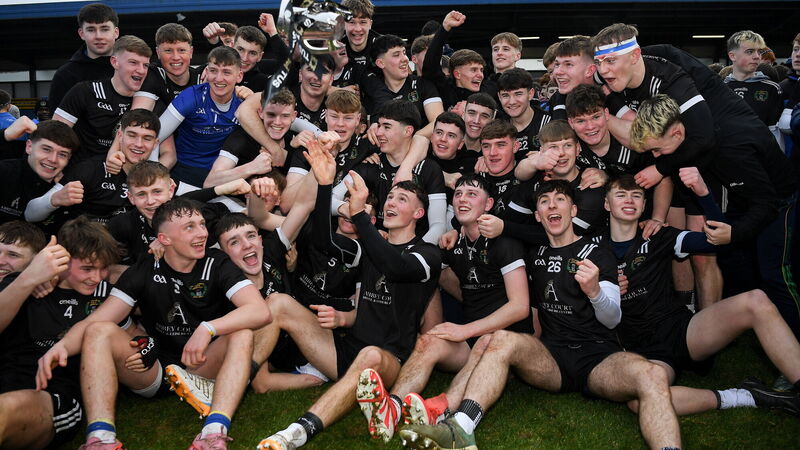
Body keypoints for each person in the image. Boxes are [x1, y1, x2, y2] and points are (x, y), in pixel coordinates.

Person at [399, 180, 681, 450]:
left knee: (653, 374)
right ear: (538, 215)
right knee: (501, 339)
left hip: (599, 358)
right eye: (545, 202)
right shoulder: (535, 254)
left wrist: (594, 291)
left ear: (573, 210)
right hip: (553, 358)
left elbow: (613, 319)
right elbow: (485, 235)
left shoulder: (597, 253)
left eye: (560, 200)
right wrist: (454, 230)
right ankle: (459, 427)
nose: (552, 206)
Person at [255, 130, 441, 450]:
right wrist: (325, 184)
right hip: (344, 351)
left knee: (370, 355)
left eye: (403, 199)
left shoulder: (427, 254)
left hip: (387, 361)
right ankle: (243, 376)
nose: (392, 202)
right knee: (278, 302)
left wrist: (360, 217)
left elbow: (396, 267)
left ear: (419, 213)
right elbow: (322, 241)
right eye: (391, 197)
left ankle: (297, 432)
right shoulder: (368, 246)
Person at [36, 198, 271, 449]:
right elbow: (97, 319)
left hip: (201, 365)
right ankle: (101, 439)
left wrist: (208, 328)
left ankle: (213, 433)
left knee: (242, 333)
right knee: (98, 330)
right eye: (189, 227)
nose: (202, 233)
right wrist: (60, 347)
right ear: (164, 239)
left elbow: (259, 311)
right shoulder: (144, 268)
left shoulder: (217, 262)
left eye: (202, 224)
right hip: (156, 370)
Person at [602, 173, 800, 415]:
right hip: (645, 350)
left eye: (636, 196)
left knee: (756, 300)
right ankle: (747, 397)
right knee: (640, 400)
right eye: (621, 195)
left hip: (683, 332)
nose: (629, 201)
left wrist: (704, 194)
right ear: (607, 204)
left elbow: (718, 239)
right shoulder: (592, 248)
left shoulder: (659, 236)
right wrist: (604, 288)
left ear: (644, 205)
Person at [357, 173, 532, 441]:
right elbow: (426, 272)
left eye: (472, 194)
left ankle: (439, 410)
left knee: (487, 342)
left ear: (488, 204)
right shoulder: (453, 243)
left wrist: (466, 330)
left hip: (508, 341)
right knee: (428, 340)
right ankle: (392, 407)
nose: (462, 199)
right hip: (473, 339)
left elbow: (520, 307)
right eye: (458, 194)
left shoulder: (505, 242)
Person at [630, 94, 799, 340]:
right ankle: (756, 329)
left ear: (677, 133)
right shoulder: (691, 140)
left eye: (657, 149)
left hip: (780, 200)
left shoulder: (729, 149)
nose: (656, 157)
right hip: (747, 198)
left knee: (775, 273)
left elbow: (767, 203)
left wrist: (735, 232)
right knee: (742, 265)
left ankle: (793, 344)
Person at [0, 217, 122, 449]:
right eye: (87, 268)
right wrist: (30, 279)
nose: (96, 277)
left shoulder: (107, 296)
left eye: (103, 268)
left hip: (50, 396)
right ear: (62, 260)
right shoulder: (21, 283)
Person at [331, 100, 447, 244]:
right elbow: (330, 200)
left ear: (408, 131)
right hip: (377, 247)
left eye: (387, 127)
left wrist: (416, 252)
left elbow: (438, 225)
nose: (378, 132)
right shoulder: (371, 163)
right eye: (379, 125)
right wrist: (351, 210)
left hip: (416, 248)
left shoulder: (429, 169)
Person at [25, 109, 161, 225]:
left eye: (147, 138)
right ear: (120, 136)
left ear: (155, 144)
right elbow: (30, 214)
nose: (138, 144)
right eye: (132, 135)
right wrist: (54, 200)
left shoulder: (159, 176)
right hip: (86, 244)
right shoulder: (90, 169)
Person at [107, 160, 250, 265]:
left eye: (157, 192)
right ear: (131, 198)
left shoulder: (199, 214)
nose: (150, 201)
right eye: (141, 194)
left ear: (171, 190)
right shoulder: (121, 225)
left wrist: (173, 242)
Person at [53, 35, 152, 162]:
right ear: (115, 62)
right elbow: (55, 134)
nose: (141, 70)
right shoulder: (85, 92)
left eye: (146, 65)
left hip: (124, 171)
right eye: (133, 63)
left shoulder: (149, 100)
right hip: (82, 169)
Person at [156, 46, 244, 186]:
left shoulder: (244, 103)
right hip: (183, 169)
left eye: (226, 72)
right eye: (213, 71)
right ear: (207, 72)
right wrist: (153, 173)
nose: (219, 78)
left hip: (220, 173)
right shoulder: (191, 97)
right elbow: (155, 136)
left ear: (239, 76)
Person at [204, 89, 297, 188]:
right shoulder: (242, 138)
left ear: (294, 116)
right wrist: (251, 167)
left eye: (285, 116)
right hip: (236, 197)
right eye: (271, 114)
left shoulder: (295, 143)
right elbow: (210, 182)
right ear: (261, 112)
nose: (277, 122)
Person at [0, 120, 79, 226]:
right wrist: (4, 135)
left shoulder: (69, 188)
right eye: (46, 149)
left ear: (69, 158)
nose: (53, 159)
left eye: (62, 154)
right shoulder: (4, 171)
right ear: (29, 147)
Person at [361, 34, 444, 127]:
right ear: (380, 63)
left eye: (404, 53)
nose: (405, 59)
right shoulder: (372, 94)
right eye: (396, 55)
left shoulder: (423, 84)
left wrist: (416, 135)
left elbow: (438, 123)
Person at [49, 3, 119, 110]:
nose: (98, 36)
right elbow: (57, 119)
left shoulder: (132, 68)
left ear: (116, 32)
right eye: (91, 30)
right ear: (81, 34)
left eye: (105, 29)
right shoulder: (65, 75)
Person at [421, 11, 496, 110]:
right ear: (457, 74)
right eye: (473, 70)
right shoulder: (446, 90)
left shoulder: (489, 90)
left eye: (481, 70)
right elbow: (430, 65)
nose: (480, 75)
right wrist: (444, 28)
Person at [132, 23, 204, 115]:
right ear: (158, 53)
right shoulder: (153, 74)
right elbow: (137, 116)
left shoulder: (204, 75)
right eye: (168, 51)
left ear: (191, 52)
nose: (175, 57)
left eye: (181, 50)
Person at [722, 30, 783, 127]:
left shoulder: (772, 88)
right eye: (750, 52)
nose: (757, 57)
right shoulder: (720, 88)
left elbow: (774, 129)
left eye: (759, 52)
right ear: (733, 56)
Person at [496, 68, 552, 156]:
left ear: (530, 94)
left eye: (518, 94)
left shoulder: (548, 123)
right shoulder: (497, 127)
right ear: (499, 97)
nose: (512, 102)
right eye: (505, 95)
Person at [341, 0, 381, 67]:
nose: (358, 29)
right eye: (352, 22)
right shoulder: (335, 49)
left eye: (363, 22)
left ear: (370, 24)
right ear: (343, 24)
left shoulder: (384, 47)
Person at [233, 26, 269, 93]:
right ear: (232, 47)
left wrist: (254, 97)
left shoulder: (264, 84)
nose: (244, 58)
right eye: (240, 49)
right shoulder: (216, 70)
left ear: (260, 56)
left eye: (252, 53)